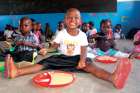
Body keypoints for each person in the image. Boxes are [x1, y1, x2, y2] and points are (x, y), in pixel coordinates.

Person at [5, 8, 132, 89]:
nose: (72, 19)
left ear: (80, 21)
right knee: (43, 63)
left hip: (78, 60)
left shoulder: (82, 35)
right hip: (61, 58)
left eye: (76, 17)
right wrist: (46, 48)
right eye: (69, 17)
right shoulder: (61, 33)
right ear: (65, 20)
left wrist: (82, 59)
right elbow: (54, 44)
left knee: (93, 67)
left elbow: (83, 49)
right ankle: (17, 72)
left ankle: (112, 77)